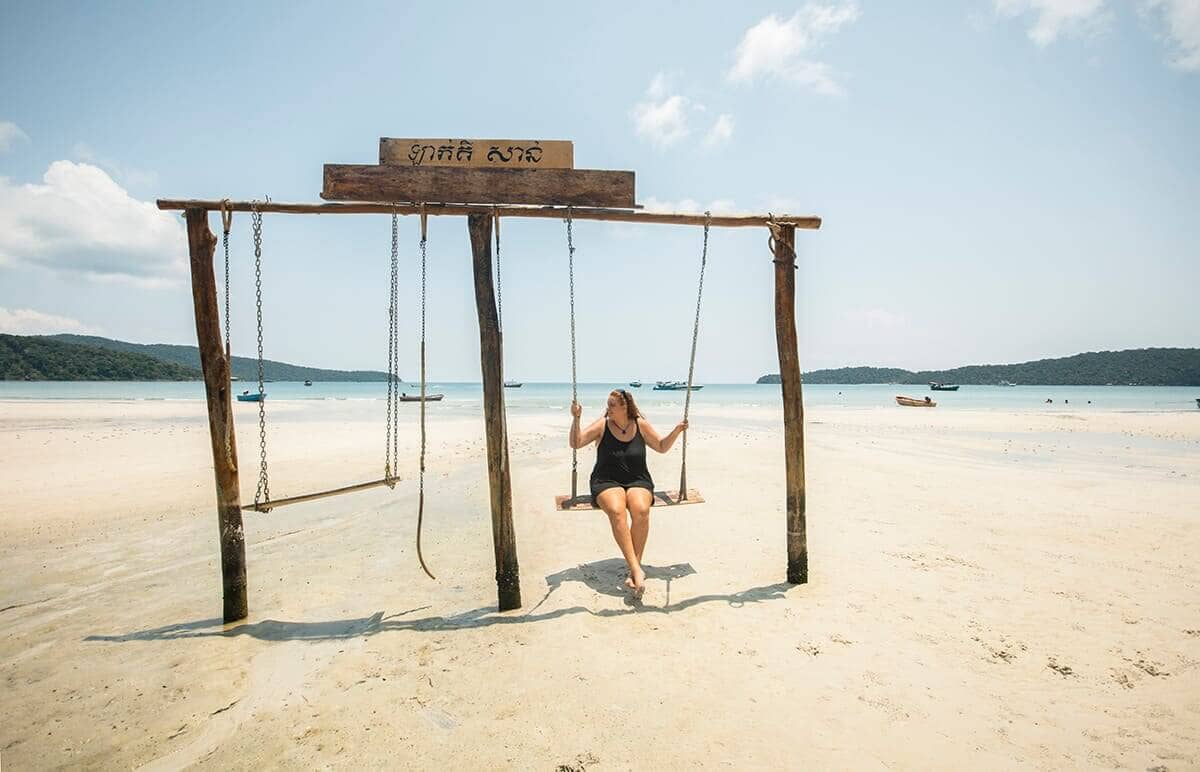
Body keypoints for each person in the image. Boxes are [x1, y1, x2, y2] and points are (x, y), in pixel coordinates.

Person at [569, 389, 688, 597]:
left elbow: (661, 446)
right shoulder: (603, 425)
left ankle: (635, 569)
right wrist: (576, 418)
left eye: (612, 405)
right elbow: (576, 443)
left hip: (637, 479)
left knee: (641, 510)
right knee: (617, 511)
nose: (608, 408)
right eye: (608, 404)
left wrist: (677, 430)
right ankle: (636, 570)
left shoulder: (640, 424)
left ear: (625, 407)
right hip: (606, 480)